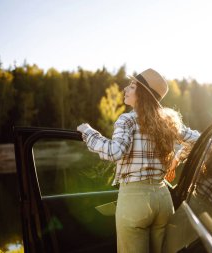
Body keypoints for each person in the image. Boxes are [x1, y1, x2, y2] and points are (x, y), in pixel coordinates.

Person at [77, 68, 200, 253]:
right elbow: (198, 140)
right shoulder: (168, 122)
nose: (126, 89)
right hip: (163, 199)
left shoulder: (127, 120)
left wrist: (88, 132)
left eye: (132, 86)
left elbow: (115, 152)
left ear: (142, 93)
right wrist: (176, 159)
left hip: (134, 200)